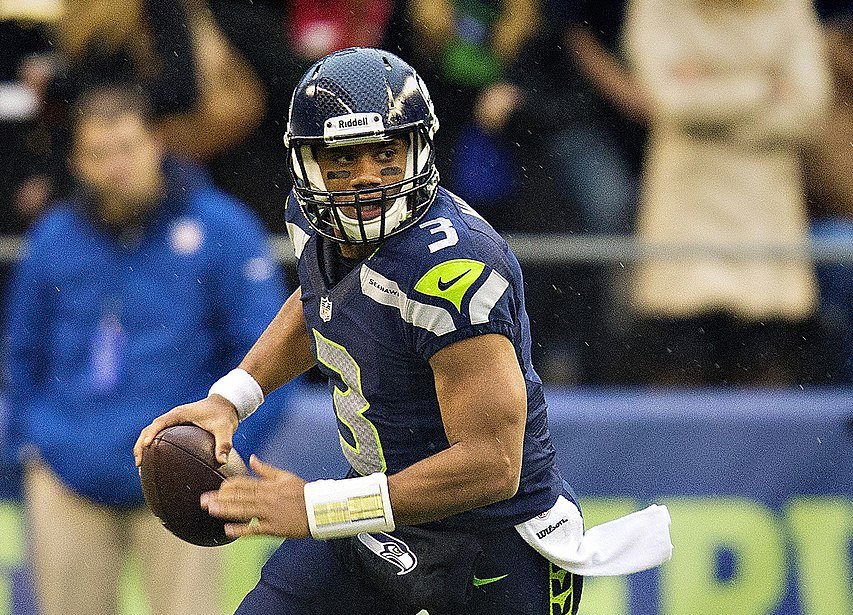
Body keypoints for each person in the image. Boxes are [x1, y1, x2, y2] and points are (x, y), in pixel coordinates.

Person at [135, 48, 672, 615]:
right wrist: (230, 398)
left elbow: (492, 465)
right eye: (342, 159)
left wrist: (320, 509)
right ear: (307, 164)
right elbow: (322, 301)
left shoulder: (452, 268)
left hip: (490, 543)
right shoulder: (315, 217)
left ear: (420, 149)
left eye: (386, 155)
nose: (366, 179)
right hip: (378, 517)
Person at [5, 84, 289, 615]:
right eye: (99, 154)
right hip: (69, 471)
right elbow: (21, 355)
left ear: (157, 143)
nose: (116, 166)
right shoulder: (52, 238)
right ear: (76, 162)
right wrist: (31, 446)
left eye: (127, 149)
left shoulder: (220, 228)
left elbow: (271, 349)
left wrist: (223, 448)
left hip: (185, 468)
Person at [623, 0, 832, 386]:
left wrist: (709, 94)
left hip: (766, 227)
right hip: (685, 222)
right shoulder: (657, 7)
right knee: (679, 390)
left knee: (768, 393)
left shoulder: (790, 9)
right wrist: (763, 86)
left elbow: (810, 107)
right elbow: (671, 101)